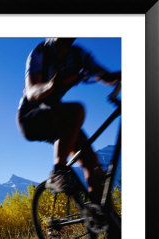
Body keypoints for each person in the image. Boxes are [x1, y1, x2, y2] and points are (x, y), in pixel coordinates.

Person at [17, 38, 120, 219]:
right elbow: (32, 92)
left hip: (58, 115)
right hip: (30, 117)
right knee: (76, 110)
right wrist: (54, 83)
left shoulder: (78, 55)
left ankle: (108, 220)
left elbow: (105, 76)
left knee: (92, 162)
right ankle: (58, 170)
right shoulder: (41, 52)